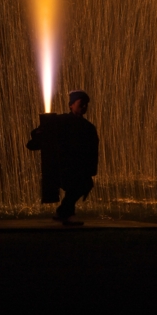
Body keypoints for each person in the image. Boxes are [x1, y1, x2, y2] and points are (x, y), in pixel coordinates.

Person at [27, 90, 99, 226]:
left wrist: (91, 168)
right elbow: (41, 131)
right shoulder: (61, 121)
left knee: (83, 184)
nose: (84, 106)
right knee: (79, 185)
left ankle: (64, 212)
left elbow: (93, 149)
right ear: (71, 105)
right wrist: (38, 135)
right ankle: (66, 213)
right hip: (63, 166)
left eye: (86, 104)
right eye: (81, 103)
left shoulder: (88, 127)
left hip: (76, 167)